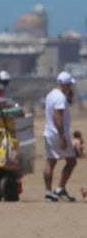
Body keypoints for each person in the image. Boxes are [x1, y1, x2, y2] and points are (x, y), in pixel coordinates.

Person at [43, 72, 77, 202]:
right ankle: (60, 188)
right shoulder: (60, 98)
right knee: (71, 161)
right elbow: (57, 116)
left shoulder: (51, 95)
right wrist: (62, 136)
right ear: (67, 84)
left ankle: (48, 191)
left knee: (50, 162)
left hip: (49, 133)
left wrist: (68, 98)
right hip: (58, 134)